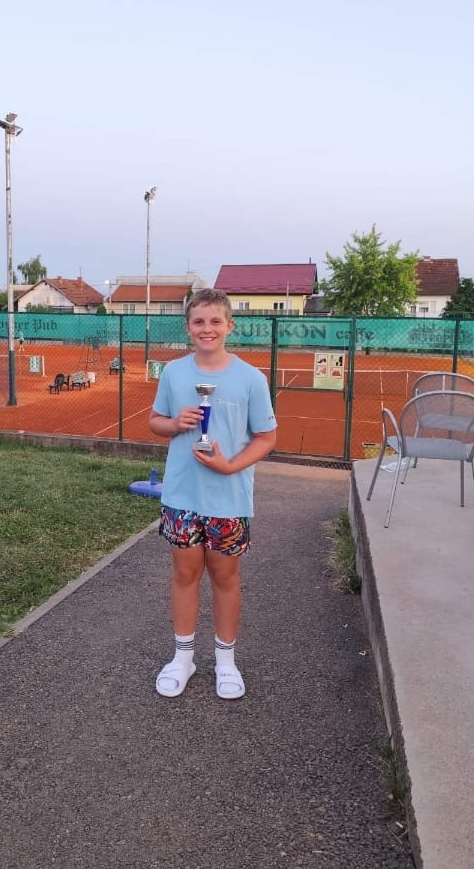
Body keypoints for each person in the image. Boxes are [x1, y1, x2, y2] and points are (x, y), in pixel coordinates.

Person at [148, 288, 277, 699]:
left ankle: (225, 661)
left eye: (215, 321)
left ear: (229, 326)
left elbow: (267, 437)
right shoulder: (173, 373)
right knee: (185, 575)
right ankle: (182, 658)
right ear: (188, 327)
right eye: (199, 321)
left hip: (228, 499)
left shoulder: (251, 378)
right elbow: (155, 420)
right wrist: (175, 424)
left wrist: (230, 466)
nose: (207, 329)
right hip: (182, 496)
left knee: (225, 577)